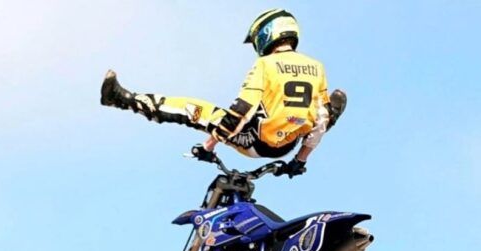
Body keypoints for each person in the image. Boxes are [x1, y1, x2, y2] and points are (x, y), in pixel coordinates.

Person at [100, 8, 346, 178]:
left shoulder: (265, 64)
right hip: (288, 145)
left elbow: (241, 110)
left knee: (193, 109)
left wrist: (209, 145)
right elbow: (320, 122)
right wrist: (300, 160)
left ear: (266, 34)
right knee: (321, 113)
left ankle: (122, 99)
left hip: (257, 141)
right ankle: (332, 113)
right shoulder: (316, 67)